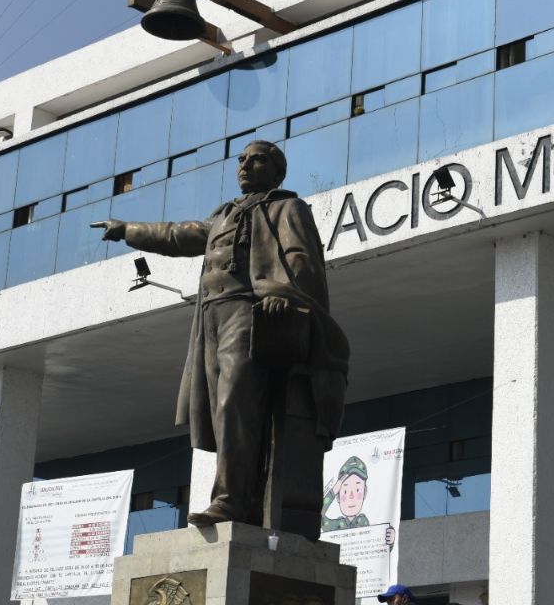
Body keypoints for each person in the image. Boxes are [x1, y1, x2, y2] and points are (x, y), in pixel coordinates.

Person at [93, 140, 349, 540]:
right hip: (211, 317)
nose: (246, 166)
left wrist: (282, 292)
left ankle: (229, 498)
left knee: (234, 403)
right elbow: (180, 235)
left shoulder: (287, 207)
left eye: (257, 159)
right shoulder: (225, 214)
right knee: (220, 410)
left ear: (277, 171)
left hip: (250, 314)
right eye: (241, 160)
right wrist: (129, 230)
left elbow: (300, 256)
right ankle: (240, 500)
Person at [321, 455, 397, 546]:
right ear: (338, 496)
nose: (351, 496)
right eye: (345, 491)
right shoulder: (336, 526)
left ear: (364, 492)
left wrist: (390, 541)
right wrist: (333, 492)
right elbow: (318, 516)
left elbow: (378, 550)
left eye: (357, 490)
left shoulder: (365, 524)